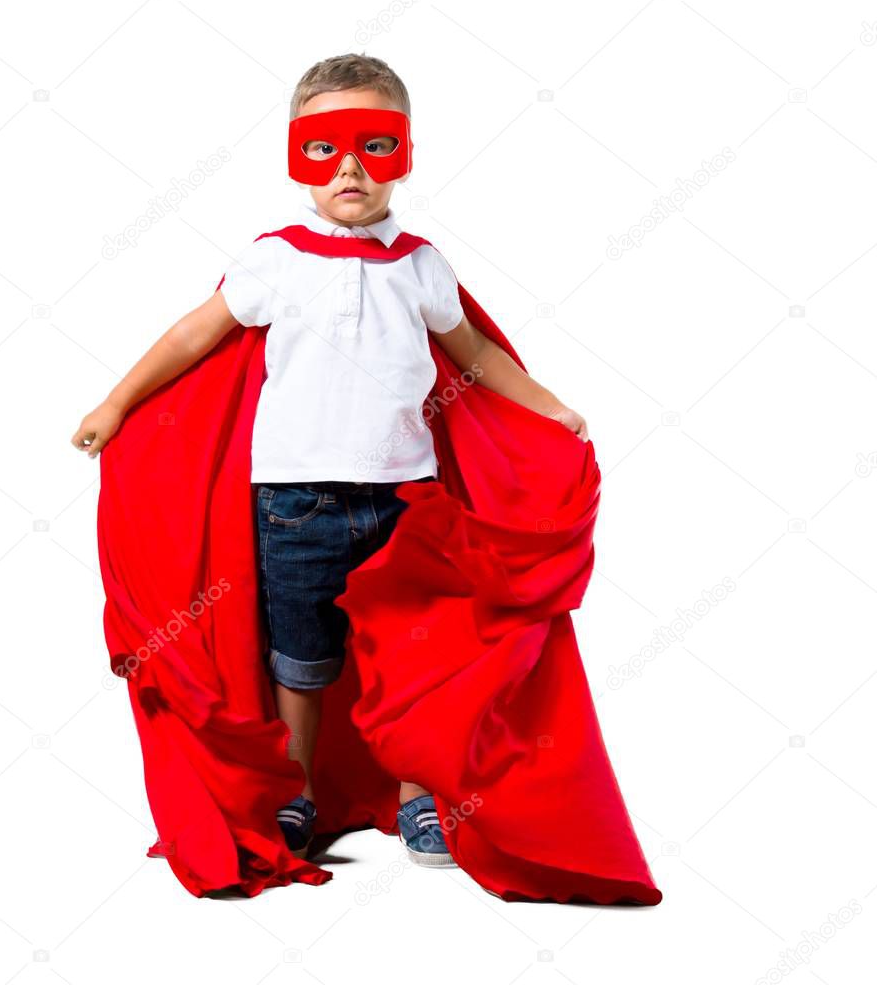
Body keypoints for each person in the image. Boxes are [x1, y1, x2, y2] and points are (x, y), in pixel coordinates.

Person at [72, 55, 599, 880]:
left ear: (406, 153)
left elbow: (476, 357)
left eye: (374, 144)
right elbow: (191, 336)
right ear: (298, 158)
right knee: (302, 658)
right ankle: (301, 790)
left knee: (415, 658)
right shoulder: (274, 260)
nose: (349, 167)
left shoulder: (422, 265)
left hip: (407, 500)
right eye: (324, 148)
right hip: (293, 503)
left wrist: (549, 407)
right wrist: (114, 403)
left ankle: (423, 794)